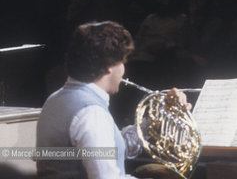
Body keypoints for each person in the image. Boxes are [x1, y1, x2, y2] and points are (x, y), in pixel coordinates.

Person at [36, 21, 190, 179]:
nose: (123, 70)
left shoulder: (54, 100)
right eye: (122, 61)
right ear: (110, 65)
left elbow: (113, 148)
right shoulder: (91, 113)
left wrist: (157, 120)